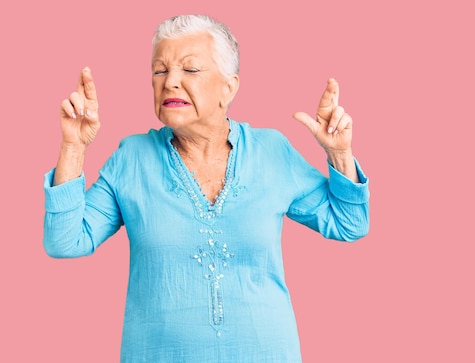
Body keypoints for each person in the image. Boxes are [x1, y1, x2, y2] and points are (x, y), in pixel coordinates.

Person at [43, 14, 370, 362]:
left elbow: (349, 224)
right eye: (159, 70)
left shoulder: (271, 152)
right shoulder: (132, 159)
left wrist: (339, 153)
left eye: (190, 70)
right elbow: (65, 241)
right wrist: (73, 148)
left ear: (229, 87)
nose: (170, 82)